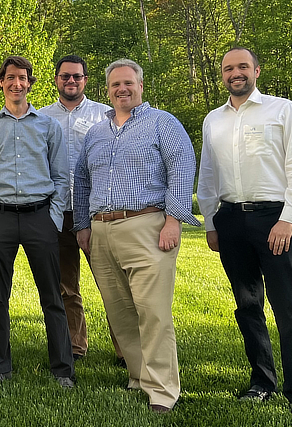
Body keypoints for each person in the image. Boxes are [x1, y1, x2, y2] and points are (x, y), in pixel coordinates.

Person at [72, 59, 200, 412]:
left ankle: (162, 392)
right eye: (115, 85)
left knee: (153, 312)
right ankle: (139, 377)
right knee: (120, 312)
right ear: (107, 90)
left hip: (147, 226)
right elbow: (81, 180)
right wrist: (82, 225)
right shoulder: (97, 133)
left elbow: (182, 165)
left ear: (140, 86)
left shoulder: (162, 123)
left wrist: (174, 219)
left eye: (128, 83)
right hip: (102, 230)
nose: (122, 89)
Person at [196, 47, 292, 420]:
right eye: (228, 67)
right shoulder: (213, 120)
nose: (236, 72)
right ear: (222, 75)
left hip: (274, 219)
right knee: (248, 306)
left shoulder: (283, 110)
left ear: (256, 70)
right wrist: (211, 223)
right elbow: (208, 175)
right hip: (230, 220)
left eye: (242, 66)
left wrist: (289, 218)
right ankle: (262, 382)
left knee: (289, 308)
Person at [0, 56, 75, 388]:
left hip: (39, 219)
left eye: (23, 78)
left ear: (31, 83)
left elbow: (61, 178)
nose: (17, 83)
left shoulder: (48, 127)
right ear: (1, 82)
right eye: (10, 78)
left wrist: (54, 217)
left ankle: (62, 370)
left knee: (52, 296)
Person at [38, 55, 122, 363]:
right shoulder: (41, 118)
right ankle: (75, 345)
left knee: (112, 284)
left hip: (97, 211)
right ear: (56, 80)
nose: (70, 81)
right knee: (66, 286)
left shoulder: (106, 115)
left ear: (86, 80)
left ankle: (125, 348)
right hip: (58, 214)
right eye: (65, 77)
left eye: (77, 76)